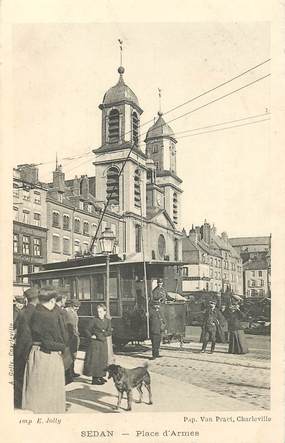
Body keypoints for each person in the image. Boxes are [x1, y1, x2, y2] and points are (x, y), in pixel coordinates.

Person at [22, 287, 66, 413]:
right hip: (47, 357)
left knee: (36, 391)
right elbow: (51, 342)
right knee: (48, 396)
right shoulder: (47, 317)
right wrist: (63, 347)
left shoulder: (32, 312)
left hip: (35, 354)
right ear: (52, 300)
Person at [14, 287, 39, 408]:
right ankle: (27, 401)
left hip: (20, 346)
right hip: (30, 347)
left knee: (19, 374)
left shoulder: (22, 311)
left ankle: (18, 400)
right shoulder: (37, 312)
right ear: (37, 298)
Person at [83, 304, 112, 385]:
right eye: (98, 312)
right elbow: (86, 330)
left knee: (102, 360)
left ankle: (100, 376)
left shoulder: (107, 321)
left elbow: (109, 331)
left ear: (105, 312)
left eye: (101, 311)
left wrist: (103, 333)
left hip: (103, 343)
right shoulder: (94, 320)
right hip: (95, 343)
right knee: (95, 360)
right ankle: (94, 379)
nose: (99, 313)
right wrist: (91, 336)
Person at [54, 293, 73, 384]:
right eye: (64, 299)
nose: (65, 301)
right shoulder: (61, 312)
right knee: (65, 361)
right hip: (63, 340)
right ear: (61, 300)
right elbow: (65, 327)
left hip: (61, 339)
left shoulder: (57, 310)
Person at [65, 299, 81, 378]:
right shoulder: (68, 312)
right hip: (70, 336)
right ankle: (69, 373)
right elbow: (70, 325)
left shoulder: (73, 312)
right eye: (75, 306)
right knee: (70, 355)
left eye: (78, 306)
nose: (77, 308)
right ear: (71, 305)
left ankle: (72, 371)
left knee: (73, 354)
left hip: (74, 336)